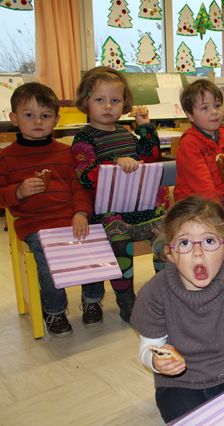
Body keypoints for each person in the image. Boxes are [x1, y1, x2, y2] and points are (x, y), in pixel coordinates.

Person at [130, 196, 224, 423]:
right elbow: (149, 346)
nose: (198, 253)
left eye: (209, 241)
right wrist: (155, 361)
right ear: (170, 253)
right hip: (178, 384)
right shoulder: (155, 293)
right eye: (185, 243)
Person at [0, 82, 102, 336]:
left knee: (96, 246)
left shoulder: (66, 153)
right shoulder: (6, 157)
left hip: (71, 218)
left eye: (45, 116)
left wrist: (80, 213)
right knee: (48, 260)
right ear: (14, 118)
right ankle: (54, 310)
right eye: (29, 115)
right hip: (35, 225)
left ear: (56, 120)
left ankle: (92, 300)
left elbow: (80, 187)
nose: (38, 122)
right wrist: (18, 191)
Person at [71, 66, 168, 323]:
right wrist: (115, 161)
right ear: (86, 102)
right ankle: (127, 301)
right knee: (119, 245)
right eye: (99, 100)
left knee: (168, 239)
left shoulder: (126, 133)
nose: (108, 106)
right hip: (109, 212)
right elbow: (84, 174)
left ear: (124, 103)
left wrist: (145, 128)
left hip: (141, 208)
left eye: (115, 100)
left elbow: (150, 157)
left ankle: (164, 295)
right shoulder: (84, 138)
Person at [174, 79, 224, 210]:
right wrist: (217, 211)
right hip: (193, 205)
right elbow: (201, 185)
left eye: (217, 105)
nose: (214, 111)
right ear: (190, 115)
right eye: (205, 108)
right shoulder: (190, 143)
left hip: (223, 199)